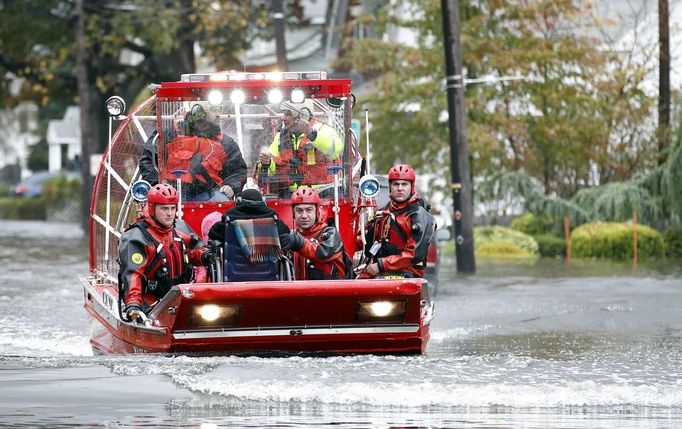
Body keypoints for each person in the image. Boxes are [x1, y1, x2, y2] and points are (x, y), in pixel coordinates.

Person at [118, 183, 216, 322]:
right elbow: (133, 274)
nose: (170, 213)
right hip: (151, 302)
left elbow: (194, 250)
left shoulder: (180, 228)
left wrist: (205, 255)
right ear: (152, 208)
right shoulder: (136, 238)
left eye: (172, 208)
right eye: (164, 209)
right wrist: (134, 304)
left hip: (182, 297)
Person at [141, 104, 248, 201]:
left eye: (219, 110)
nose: (219, 115)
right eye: (214, 110)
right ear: (199, 112)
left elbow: (238, 171)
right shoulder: (169, 134)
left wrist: (230, 186)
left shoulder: (226, 142)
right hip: (173, 194)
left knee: (222, 201)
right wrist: (157, 186)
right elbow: (148, 160)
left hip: (210, 195)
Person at [358, 164, 435, 279]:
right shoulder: (381, 213)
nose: (400, 188)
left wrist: (381, 265)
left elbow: (414, 255)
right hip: (380, 271)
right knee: (356, 282)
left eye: (404, 184)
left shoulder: (419, 216)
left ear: (411, 186)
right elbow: (363, 240)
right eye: (396, 184)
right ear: (390, 186)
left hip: (408, 274)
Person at [258, 102, 343, 196]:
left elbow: (334, 151)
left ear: (303, 115)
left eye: (288, 114)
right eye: (284, 114)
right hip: (290, 195)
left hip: (324, 192)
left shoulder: (324, 130)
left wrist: (312, 134)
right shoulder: (280, 137)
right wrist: (266, 163)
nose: (283, 118)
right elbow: (271, 170)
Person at [286, 188, 350, 280]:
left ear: (317, 212)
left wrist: (299, 243)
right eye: (299, 211)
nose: (304, 216)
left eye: (309, 210)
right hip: (299, 291)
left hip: (330, 292)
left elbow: (323, 253)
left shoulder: (331, 234)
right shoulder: (293, 236)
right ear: (293, 213)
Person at [208, 188, 292, 250]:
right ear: (262, 203)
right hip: (268, 269)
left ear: (239, 202)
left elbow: (212, 233)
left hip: (235, 270)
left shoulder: (228, 222)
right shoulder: (274, 222)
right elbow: (287, 234)